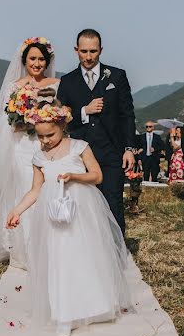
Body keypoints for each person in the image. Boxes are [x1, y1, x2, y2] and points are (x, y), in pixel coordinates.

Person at [5, 102, 137, 336]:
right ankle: (65, 312)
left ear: (63, 125)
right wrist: (17, 210)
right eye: (40, 136)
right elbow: (35, 190)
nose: (45, 141)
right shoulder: (38, 157)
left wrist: (75, 176)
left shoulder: (79, 147)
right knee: (59, 256)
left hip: (81, 207)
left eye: (50, 135)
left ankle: (97, 305)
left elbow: (97, 176)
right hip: (52, 212)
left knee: (84, 252)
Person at [54, 29, 137, 235]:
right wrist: (84, 111)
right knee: (84, 207)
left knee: (113, 203)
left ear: (101, 50)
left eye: (93, 51)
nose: (89, 57)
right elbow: (61, 120)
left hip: (111, 152)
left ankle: (118, 254)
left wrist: (129, 148)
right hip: (81, 156)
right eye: (84, 51)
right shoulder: (67, 81)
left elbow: (127, 115)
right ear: (76, 50)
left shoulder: (117, 76)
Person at [0, 36, 58, 268]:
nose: (37, 63)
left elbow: (59, 116)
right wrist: (27, 120)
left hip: (47, 145)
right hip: (22, 146)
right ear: (25, 60)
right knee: (25, 189)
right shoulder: (15, 86)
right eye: (32, 58)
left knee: (48, 189)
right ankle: (24, 246)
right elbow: (7, 121)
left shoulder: (56, 84)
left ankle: (49, 245)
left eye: (41, 59)